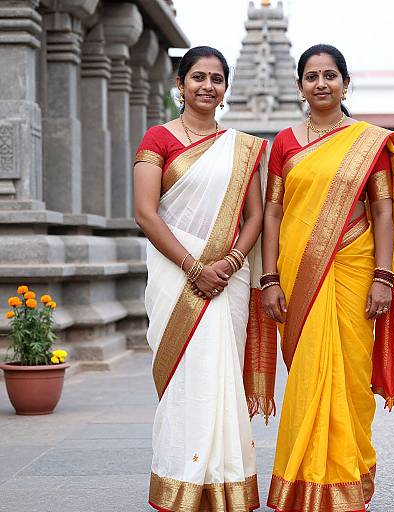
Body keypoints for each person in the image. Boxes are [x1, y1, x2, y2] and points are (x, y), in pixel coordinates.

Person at [261, 44, 394, 512]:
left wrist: (384, 276)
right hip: (297, 272)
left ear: (346, 84)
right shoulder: (285, 143)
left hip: (355, 267)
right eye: (311, 77)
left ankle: (346, 479)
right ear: (299, 87)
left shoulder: (370, 142)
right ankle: (303, 483)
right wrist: (269, 277)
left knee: (349, 376)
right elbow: (273, 212)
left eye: (330, 75)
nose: (321, 84)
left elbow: (383, 211)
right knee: (309, 374)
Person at [133, 46, 276, 512]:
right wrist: (196, 268)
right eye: (198, 77)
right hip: (178, 279)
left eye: (216, 78)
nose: (207, 86)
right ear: (180, 83)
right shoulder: (158, 139)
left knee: (221, 380)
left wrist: (232, 262)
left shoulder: (242, 147)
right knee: (186, 379)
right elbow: (145, 213)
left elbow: (255, 215)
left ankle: (227, 482)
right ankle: (181, 480)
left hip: (227, 280)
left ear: (226, 88)